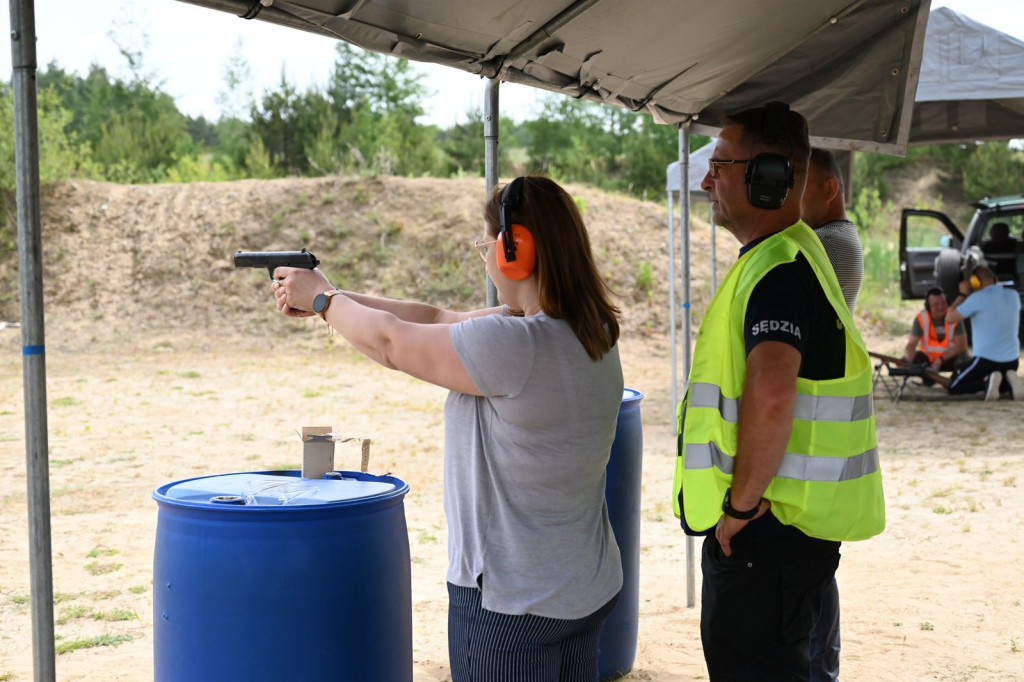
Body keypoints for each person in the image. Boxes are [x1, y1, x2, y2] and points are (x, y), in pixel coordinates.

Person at [271, 176, 625, 681]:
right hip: (583, 587)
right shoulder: (591, 329)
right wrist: (330, 295)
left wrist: (327, 302)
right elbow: (435, 317)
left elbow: (393, 343)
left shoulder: (514, 345)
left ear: (514, 251)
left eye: (485, 246)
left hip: (513, 604)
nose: (484, 259)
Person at [673, 102, 885, 682]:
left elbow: (771, 397)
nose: (706, 180)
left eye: (720, 164)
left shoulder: (777, 274)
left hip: (765, 536)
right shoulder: (792, 256)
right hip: (786, 534)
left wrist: (738, 510)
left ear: (769, 176)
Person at [799, 146, 864, 682]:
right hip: (816, 428)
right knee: (815, 565)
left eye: (801, 188)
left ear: (830, 190)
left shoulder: (827, 244)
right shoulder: (825, 240)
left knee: (813, 566)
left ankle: (822, 672)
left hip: (816, 430)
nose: (790, 203)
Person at [946, 266, 1023, 400]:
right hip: (1012, 361)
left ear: (975, 281)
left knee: (954, 386)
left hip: (985, 361)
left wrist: (962, 294)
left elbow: (949, 318)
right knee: (999, 375)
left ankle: (986, 382)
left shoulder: (977, 298)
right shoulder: (1014, 296)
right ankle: (1008, 384)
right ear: (995, 279)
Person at [800, 146, 862, 314]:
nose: (791, 196)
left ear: (830, 189)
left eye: (800, 185)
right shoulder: (839, 234)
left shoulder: (824, 242)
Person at [902, 287, 970, 375]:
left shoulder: (954, 316)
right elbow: (911, 344)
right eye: (936, 304)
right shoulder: (921, 318)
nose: (941, 307)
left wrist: (941, 359)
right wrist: (908, 360)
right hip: (929, 360)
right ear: (928, 307)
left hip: (950, 358)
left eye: (943, 303)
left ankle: (956, 382)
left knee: (964, 360)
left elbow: (962, 346)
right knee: (916, 359)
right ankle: (929, 380)